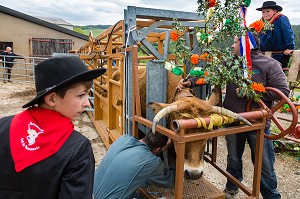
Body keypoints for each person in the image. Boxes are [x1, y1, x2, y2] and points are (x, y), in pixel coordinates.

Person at [178, 33, 289, 199]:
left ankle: (270, 195)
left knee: (264, 164)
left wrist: (251, 91)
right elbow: (210, 74)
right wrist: (191, 82)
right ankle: (232, 188)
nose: (231, 46)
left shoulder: (270, 64)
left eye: (235, 42)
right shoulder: (229, 62)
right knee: (234, 159)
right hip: (233, 121)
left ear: (247, 45)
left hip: (257, 123)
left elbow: (283, 92)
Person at [0, 56, 106, 199]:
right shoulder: (78, 149)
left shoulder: (3, 126)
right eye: (81, 95)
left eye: (88, 95)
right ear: (51, 99)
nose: (87, 103)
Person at [93, 131, 176, 199]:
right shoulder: (150, 161)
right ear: (157, 149)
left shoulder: (124, 138)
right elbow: (170, 182)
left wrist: (161, 150)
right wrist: (175, 161)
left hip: (92, 190)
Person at [256, 1, 295, 69]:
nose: (265, 14)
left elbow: (288, 33)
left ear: (274, 11)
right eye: (263, 12)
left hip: (279, 53)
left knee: (275, 72)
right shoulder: (261, 22)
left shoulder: (281, 19)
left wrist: (290, 47)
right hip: (264, 53)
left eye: (267, 11)